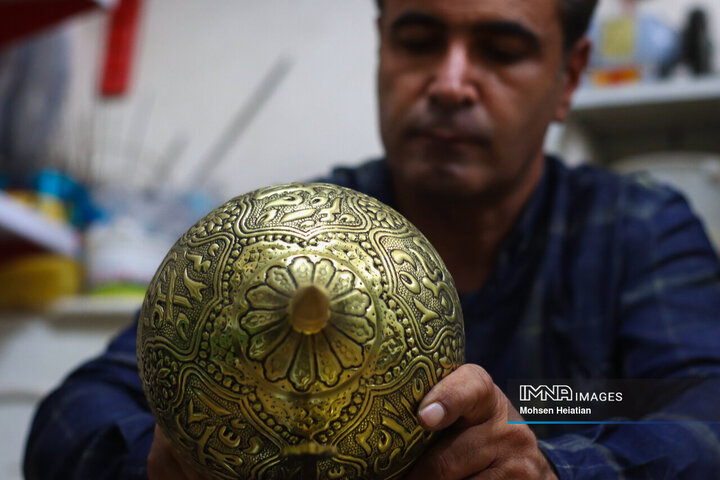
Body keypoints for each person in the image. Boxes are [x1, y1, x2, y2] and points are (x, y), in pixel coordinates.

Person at [24, 0, 720, 478]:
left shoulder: (638, 230)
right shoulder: (274, 240)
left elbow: (704, 410)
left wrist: (554, 467)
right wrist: (155, 461)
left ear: (568, 77)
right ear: (382, 49)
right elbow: (70, 417)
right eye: (418, 41)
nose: (450, 83)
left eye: (502, 51)